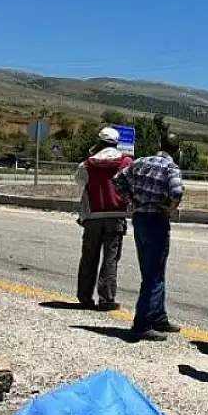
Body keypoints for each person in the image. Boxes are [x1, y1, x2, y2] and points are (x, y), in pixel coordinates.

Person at [113, 132, 185, 341]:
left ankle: (158, 317)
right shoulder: (171, 167)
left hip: (140, 219)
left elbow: (118, 180)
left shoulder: (140, 162)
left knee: (153, 270)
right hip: (156, 221)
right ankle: (142, 324)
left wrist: (131, 201)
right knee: (153, 274)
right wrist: (171, 208)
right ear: (177, 150)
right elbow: (177, 192)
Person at [74, 127, 133, 310]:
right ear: (116, 143)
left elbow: (79, 181)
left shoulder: (88, 163)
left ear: (99, 142)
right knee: (110, 259)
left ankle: (85, 297)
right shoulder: (126, 162)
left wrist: (90, 155)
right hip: (116, 216)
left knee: (89, 257)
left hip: (93, 215)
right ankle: (106, 299)